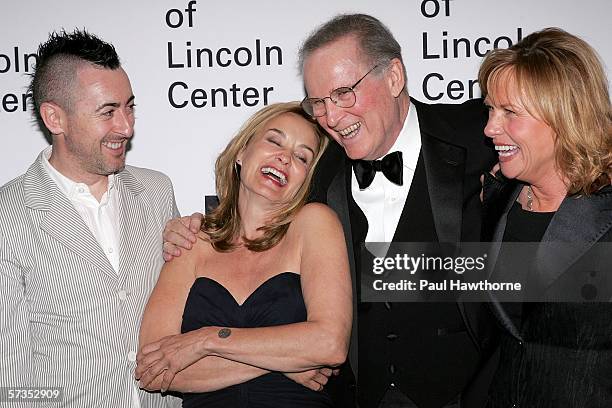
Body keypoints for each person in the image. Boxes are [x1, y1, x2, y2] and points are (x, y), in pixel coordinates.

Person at [163, 14, 496, 408]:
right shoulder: (316, 167)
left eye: (343, 93)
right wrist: (190, 226)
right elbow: (255, 213)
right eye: (318, 102)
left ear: (393, 77)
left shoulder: (481, 130)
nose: (331, 118)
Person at [0, 30, 180, 407]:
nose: (126, 127)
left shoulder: (156, 191)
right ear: (55, 118)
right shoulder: (9, 215)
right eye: (108, 112)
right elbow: (10, 375)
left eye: (130, 107)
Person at [136, 102, 352, 407]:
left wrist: (207, 340)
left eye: (302, 157)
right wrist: (284, 360)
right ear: (242, 152)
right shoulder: (192, 241)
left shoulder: (314, 223)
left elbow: (330, 344)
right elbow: (153, 370)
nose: (284, 158)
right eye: (274, 141)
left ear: (307, 180)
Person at [478, 28, 612, 407]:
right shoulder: (496, 198)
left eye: (509, 112)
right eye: (490, 108)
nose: (490, 128)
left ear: (563, 117)